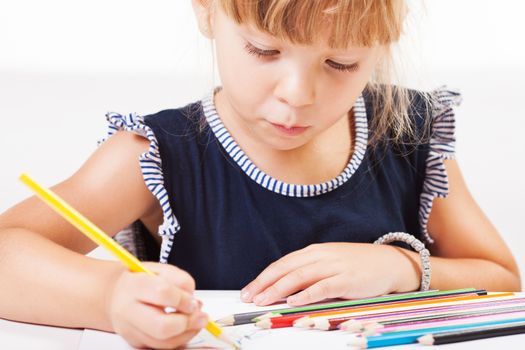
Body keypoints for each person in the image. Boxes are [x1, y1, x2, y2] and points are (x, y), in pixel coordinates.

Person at [0, 0, 521, 348]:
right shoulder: (156, 154)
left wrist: (404, 270)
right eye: (264, 51)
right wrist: (110, 298)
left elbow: (502, 281)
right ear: (207, 12)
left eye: (340, 63)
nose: (298, 94)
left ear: (384, 42)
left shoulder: (408, 135)